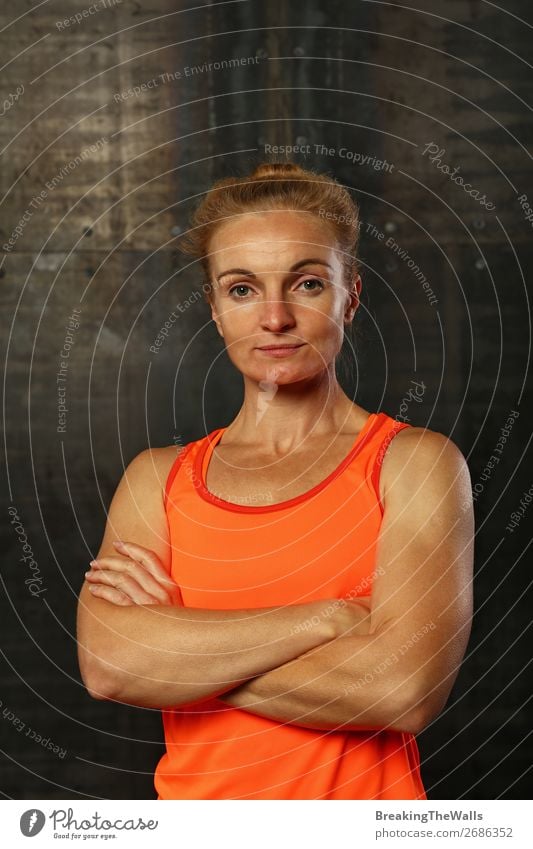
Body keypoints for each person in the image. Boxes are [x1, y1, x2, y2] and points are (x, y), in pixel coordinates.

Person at [77, 161, 474, 800]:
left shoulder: (413, 464)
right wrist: (329, 620)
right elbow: (109, 664)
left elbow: (403, 690)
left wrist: (183, 646)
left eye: (308, 283)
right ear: (212, 307)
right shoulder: (157, 480)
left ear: (351, 294)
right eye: (241, 289)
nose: (275, 318)